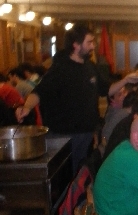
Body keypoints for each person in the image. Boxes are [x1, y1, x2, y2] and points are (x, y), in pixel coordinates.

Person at [14, 24, 118, 173]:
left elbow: (105, 89)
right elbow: (39, 92)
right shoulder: (60, 68)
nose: (93, 46)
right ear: (76, 45)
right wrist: (26, 107)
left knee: (82, 175)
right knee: (66, 175)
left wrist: (127, 81)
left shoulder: (90, 66)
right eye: (89, 42)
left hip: (86, 133)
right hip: (63, 135)